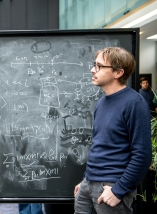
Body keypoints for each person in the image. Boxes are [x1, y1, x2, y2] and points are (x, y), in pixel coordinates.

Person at [73, 47, 152, 213]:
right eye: (94, 65)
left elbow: (142, 155)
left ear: (118, 73)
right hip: (89, 185)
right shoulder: (101, 103)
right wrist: (86, 180)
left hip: (111, 188)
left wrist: (118, 190)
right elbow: (99, 145)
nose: (92, 70)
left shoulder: (134, 103)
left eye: (99, 66)